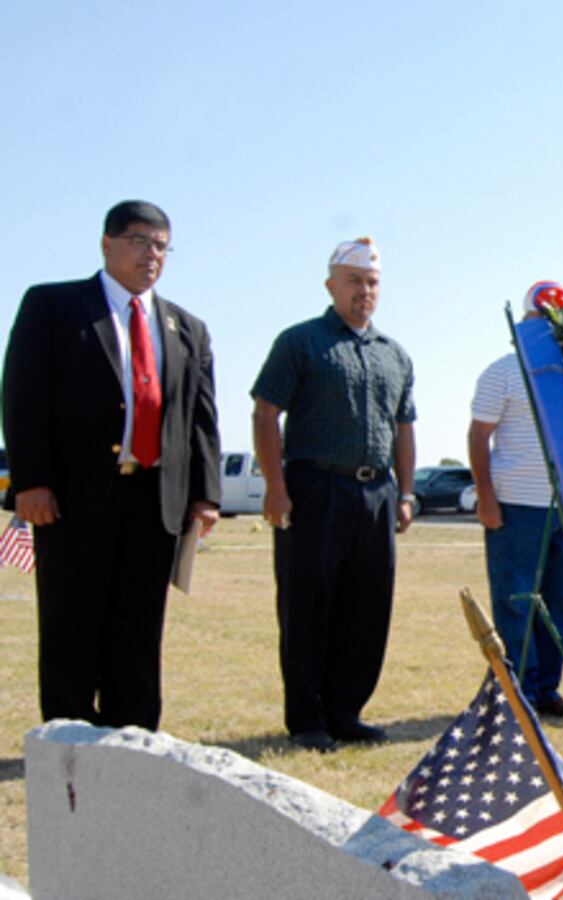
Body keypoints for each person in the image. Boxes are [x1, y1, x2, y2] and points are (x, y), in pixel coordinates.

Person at [2, 200, 221, 731]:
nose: (152, 255)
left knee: (139, 629)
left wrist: (205, 494)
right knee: (71, 624)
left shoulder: (185, 326)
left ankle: (134, 738)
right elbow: (22, 394)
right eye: (140, 241)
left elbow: (200, 418)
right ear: (107, 244)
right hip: (73, 501)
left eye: (162, 245)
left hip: (155, 503)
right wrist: (30, 481)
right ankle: (69, 740)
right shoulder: (54, 306)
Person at [250, 237, 417, 752]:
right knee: (308, 603)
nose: (363, 291)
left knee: (367, 605)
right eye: (353, 281)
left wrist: (406, 493)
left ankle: (346, 711)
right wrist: (275, 488)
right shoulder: (300, 342)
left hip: (376, 493)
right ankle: (306, 718)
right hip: (313, 487)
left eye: (371, 282)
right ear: (331, 285)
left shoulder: (395, 354)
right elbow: (264, 413)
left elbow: (404, 427)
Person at [465, 285, 563, 718]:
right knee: (516, 598)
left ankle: (546, 687)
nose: (546, 331)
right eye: (538, 323)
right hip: (516, 504)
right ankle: (516, 692)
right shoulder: (502, 371)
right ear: (523, 325)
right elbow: (479, 435)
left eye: (554, 323)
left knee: (562, 601)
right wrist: (486, 495)